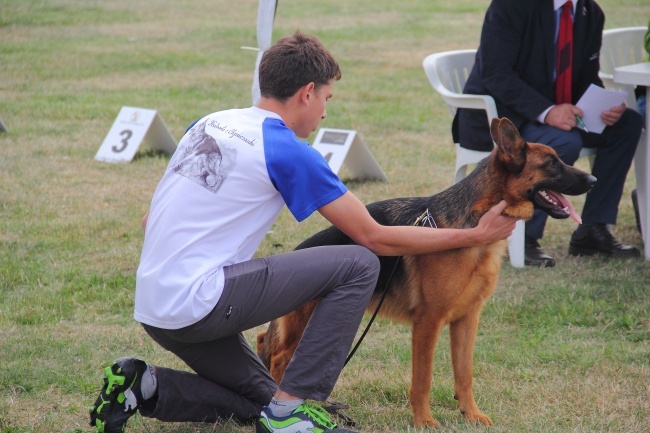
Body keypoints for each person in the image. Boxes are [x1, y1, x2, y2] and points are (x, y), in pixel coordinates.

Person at [89, 31, 517, 433]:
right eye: (327, 97)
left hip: (153, 309)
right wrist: (473, 236)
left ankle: (144, 386)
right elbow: (374, 237)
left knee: (266, 404)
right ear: (306, 92)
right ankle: (298, 405)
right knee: (358, 263)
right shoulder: (287, 150)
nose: (326, 110)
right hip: (201, 303)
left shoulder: (209, 122)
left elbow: (151, 222)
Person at [453, 0, 644, 267]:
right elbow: (496, 74)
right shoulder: (510, 6)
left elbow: (586, 75)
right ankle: (525, 237)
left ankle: (593, 229)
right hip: (506, 116)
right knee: (563, 142)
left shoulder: (591, 12)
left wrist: (605, 105)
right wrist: (547, 111)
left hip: (559, 114)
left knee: (628, 124)